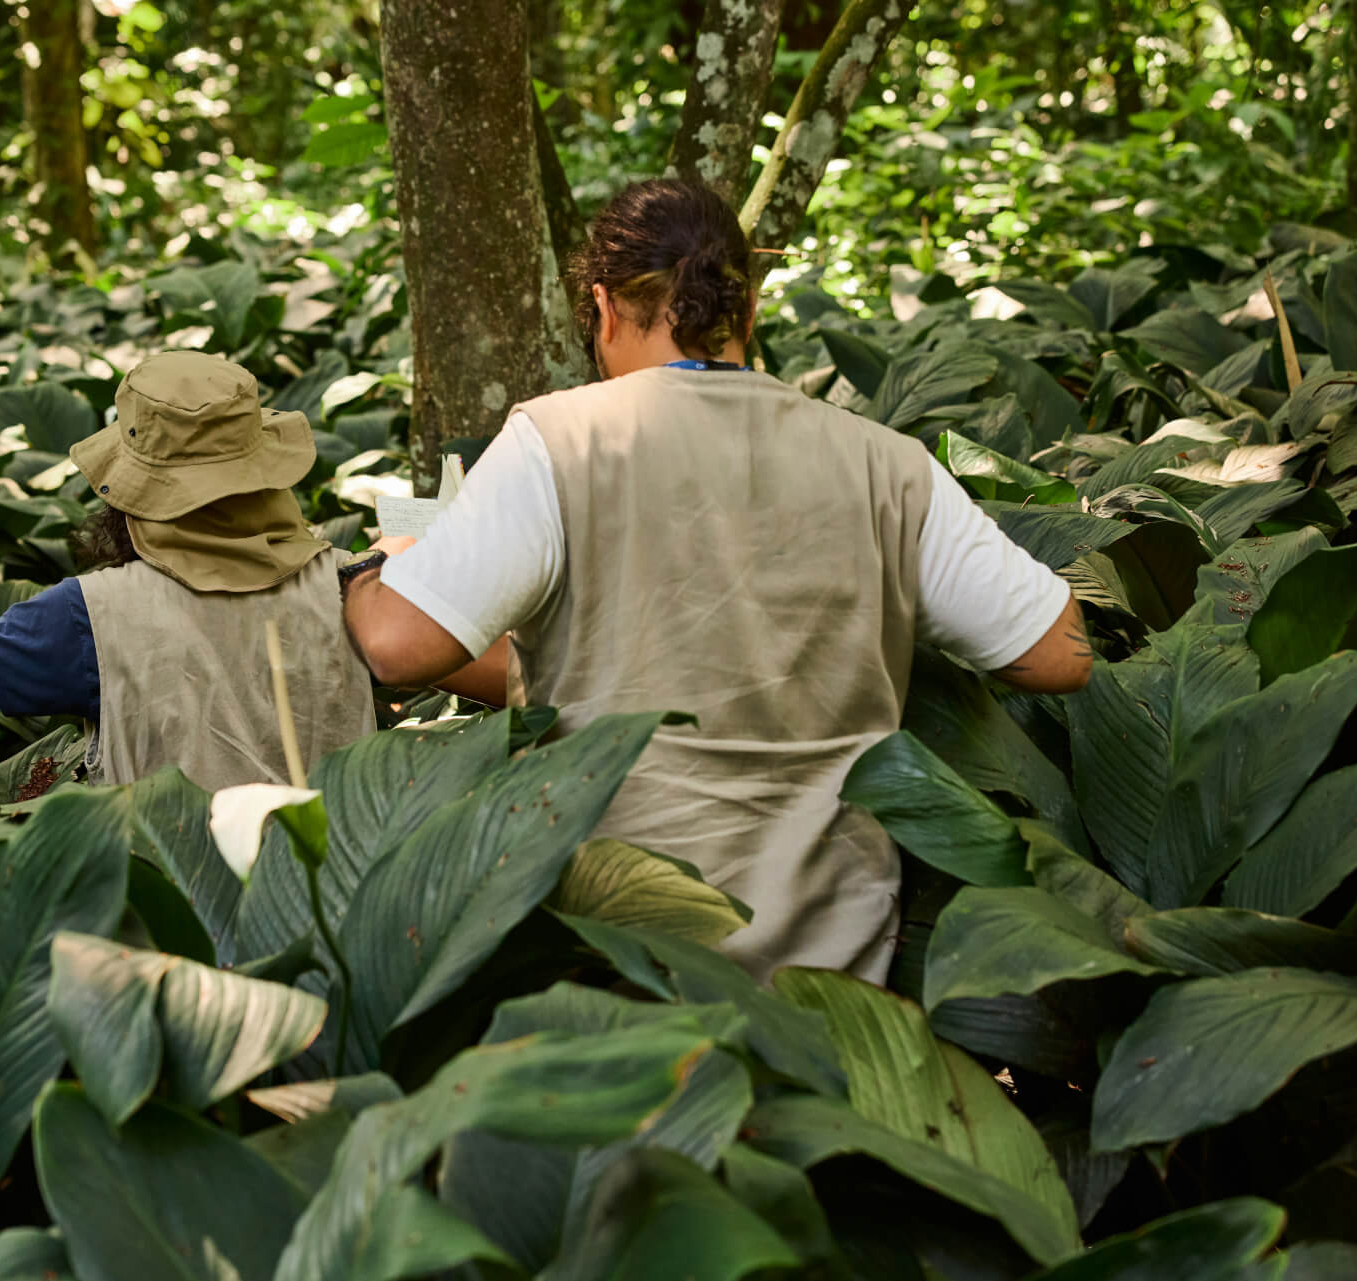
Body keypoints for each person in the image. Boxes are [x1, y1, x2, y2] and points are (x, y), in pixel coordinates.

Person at [340, 179, 1090, 983]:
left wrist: (376, 568)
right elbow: (1059, 653)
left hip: (623, 969)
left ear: (603, 308)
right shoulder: (886, 463)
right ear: (749, 309)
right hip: (836, 983)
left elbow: (397, 644)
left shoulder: (560, 441)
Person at [0, 350, 375, 789]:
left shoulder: (89, 614)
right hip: (344, 861)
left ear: (132, 488)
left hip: (171, 861)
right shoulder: (354, 585)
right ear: (265, 476)